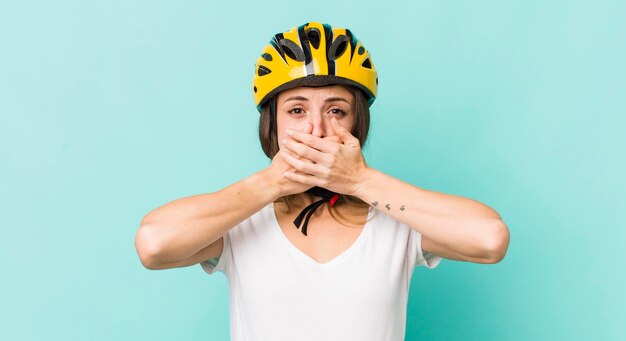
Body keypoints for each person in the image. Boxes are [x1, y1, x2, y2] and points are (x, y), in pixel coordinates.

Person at [135, 22, 510, 341]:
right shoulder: (241, 221)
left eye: (336, 111)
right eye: (296, 110)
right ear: (273, 125)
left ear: (357, 123)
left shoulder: (396, 219)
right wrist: (272, 182)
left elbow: (490, 238)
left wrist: (360, 180)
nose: (316, 128)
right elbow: (153, 244)